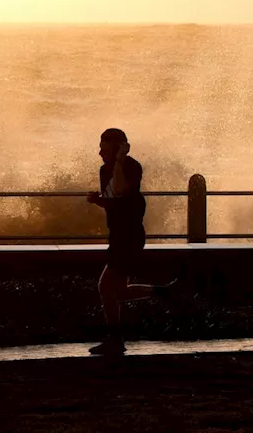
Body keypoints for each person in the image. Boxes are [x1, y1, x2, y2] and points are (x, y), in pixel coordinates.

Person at [86, 128, 173, 355]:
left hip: (130, 235)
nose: (99, 153)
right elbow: (113, 199)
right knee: (118, 292)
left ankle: (115, 340)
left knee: (105, 288)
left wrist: (119, 161)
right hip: (117, 235)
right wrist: (98, 201)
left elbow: (123, 189)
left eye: (104, 148)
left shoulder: (132, 167)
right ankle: (162, 292)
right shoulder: (104, 169)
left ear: (117, 148)